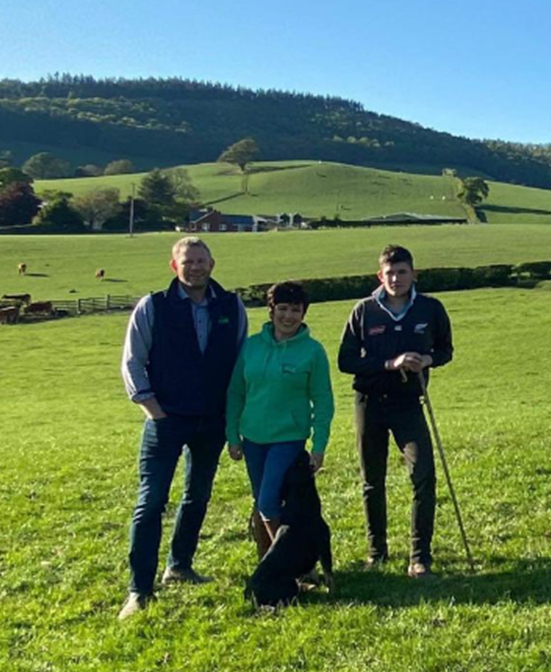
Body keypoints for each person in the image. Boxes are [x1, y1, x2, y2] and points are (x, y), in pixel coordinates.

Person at [119, 236, 247, 619]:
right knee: (151, 502)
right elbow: (132, 362)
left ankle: (179, 566)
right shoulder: (153, 306)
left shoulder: (231, 305)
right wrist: (152, 409)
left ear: (212, 263)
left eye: (201, 260)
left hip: (212, 421)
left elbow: (241, 364)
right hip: (166, 421)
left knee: (198, 496)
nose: (195, 267)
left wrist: (233, 419)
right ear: (174, 266)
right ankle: (139, 590)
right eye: (187, 261)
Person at [338, 245, 453, 578]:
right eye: (389, 273)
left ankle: (420, 557)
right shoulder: (363, 311)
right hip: (369, 403)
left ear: (413, 274)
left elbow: (445, 350)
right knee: (372, 481)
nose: (396, 278)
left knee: (423, 476)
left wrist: (428, 359)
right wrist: (389, 363)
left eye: (402, 272)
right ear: (380, 276)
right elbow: (346, 361)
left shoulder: (430, 309)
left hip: (410, 404)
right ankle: (377, 553)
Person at [226, 281, 334, 559]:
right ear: (271, 311)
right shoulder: (251, 347)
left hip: (288, 438)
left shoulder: (312, 351)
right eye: (282, 309)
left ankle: (288, 561)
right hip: (252, 438)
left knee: (268, 501)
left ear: (304, 313)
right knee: (260, 500)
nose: (288, 316)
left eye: (295, 310)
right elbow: (236, 392)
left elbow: (323, 401)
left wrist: (319, 446)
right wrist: (232, 436)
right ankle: (268, 560)